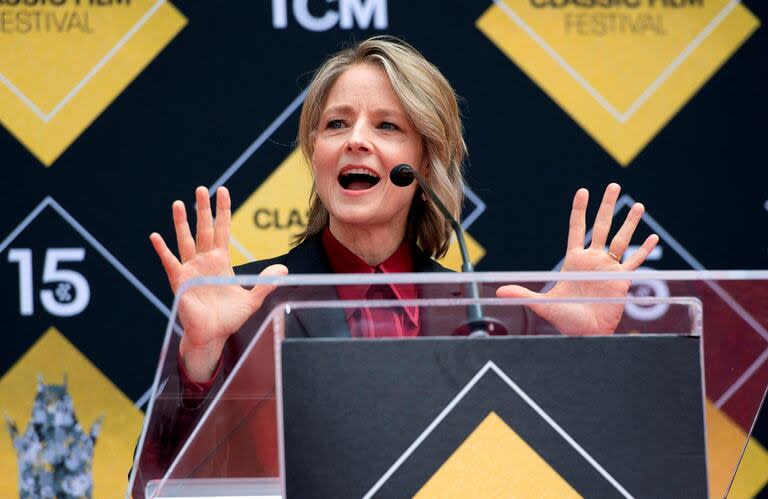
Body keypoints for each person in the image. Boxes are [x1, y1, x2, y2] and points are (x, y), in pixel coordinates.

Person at [135, 35, 658, 495]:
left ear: (424, 161)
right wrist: (199, 357)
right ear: (314, 153)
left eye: (386, 125)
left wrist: (588, 356)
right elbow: (163, 482)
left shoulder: (483, 317)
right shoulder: (249, 303)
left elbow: (562, 474)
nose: (355, 139)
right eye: (336, 124)